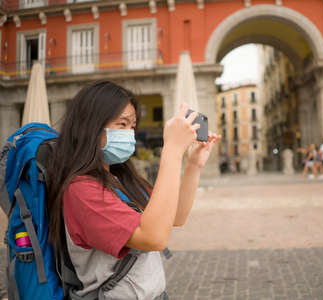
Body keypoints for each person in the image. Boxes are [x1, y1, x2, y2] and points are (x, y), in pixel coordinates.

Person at [46, 81, 220, 299]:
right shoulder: (80, 191)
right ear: (90, 127)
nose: (130, 134)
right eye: (122, 124)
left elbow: (175, 216)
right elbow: (154, 237)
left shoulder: (120, 179)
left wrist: (194, 165)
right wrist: (172, 150)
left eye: (132, 126)